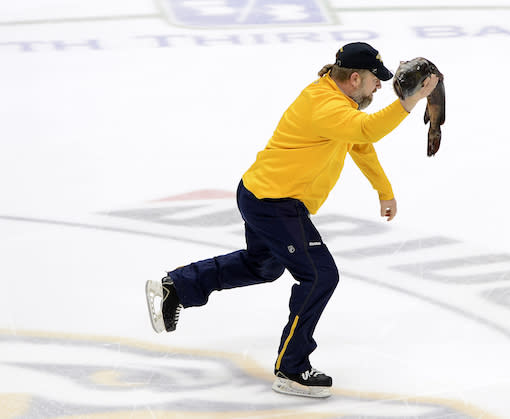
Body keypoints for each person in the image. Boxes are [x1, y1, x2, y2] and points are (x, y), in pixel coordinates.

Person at [145, 42, 439, 398]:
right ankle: (292, 368)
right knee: (319, 275)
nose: (379, 86)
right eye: (375, 80)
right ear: (355, 78)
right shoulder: (325, 104)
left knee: (262, 267)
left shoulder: (336, 101)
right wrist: (408, 102)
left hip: (261, 194)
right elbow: (367, 132)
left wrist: (383, 189)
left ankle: (177, 287)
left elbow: (358, 143)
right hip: (275, 203)